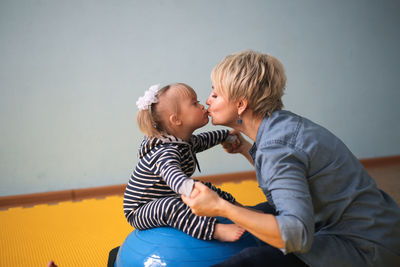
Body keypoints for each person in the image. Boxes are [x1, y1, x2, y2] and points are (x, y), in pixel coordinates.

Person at [182, 50, 400, 266]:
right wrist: (245, 149)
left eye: (215, 94)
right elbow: (285, 175)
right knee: (259, 212)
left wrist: (221, 207)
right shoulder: (280, 126)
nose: (207, 101)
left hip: (366, 250)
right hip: (377, 227)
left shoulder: (276, 147)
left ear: (241, 105)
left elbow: (297, 236)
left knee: (250, 260)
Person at [123, 83, 245, 242]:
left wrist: (226, 135)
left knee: (205, 187)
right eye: (195, 104)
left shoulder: (183, 141)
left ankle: (240, 210)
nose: (202, 106)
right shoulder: (165, 151)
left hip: (168, 194)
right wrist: (189, 188)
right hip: (141, 210)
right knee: (171, 206)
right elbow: (170, 172)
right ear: (176, 120)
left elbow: (203, 140)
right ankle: (216, 230)